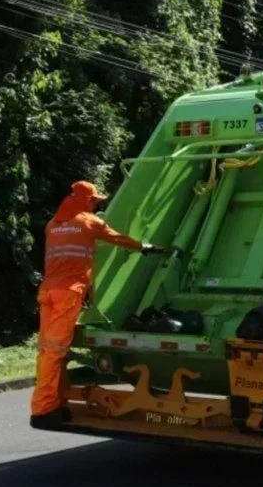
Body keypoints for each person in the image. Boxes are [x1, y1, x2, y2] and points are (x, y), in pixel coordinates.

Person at [30, 181, 165, 429]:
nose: (95, 205)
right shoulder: (88, 222)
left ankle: (54, 402)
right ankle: (43, 409)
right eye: (94, 201)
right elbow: (116, 238)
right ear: (85, 201)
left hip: (47, 291)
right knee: (55, 352)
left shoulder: (52, 225)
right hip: (67, 294)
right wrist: (142, 246)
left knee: (47, 350)